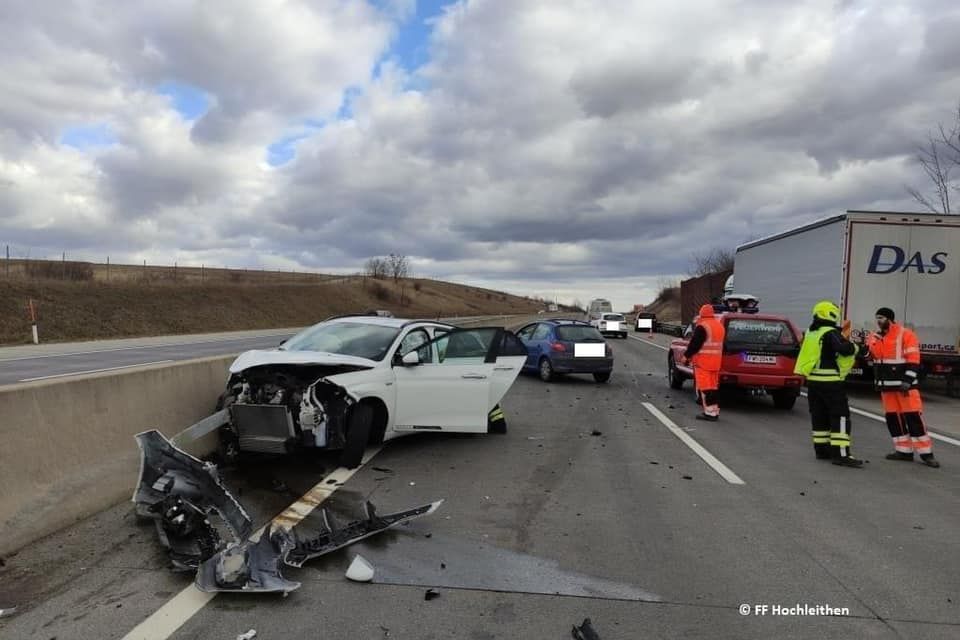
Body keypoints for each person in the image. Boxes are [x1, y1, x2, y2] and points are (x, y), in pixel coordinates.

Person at [866, 308, 939, 468]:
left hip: (905, 387)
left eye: (882, 317)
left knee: (914, 418)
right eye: (877, 317)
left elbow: (914, 360)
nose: (878, 320)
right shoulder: (875, 336)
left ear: (890, 319)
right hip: (886, 387)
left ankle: (927, 454)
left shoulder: (906, 334)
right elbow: (873, 356)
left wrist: (907, 380)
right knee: (893, 419)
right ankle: (903, 451)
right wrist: (875, 341)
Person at [794, 300, 863, 467]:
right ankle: (841, 454)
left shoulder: (811, 332)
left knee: (819, 416)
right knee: (840, 416)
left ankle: (822, 450)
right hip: (830, 382)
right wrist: (857, 348)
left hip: (813, 382)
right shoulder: (830, 332)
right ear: (831, 314)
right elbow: (843, 349)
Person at [681, 304, 725, 421]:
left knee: (705, 388)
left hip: (703, 363)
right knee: (713, 387)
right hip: (716, 363)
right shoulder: (719, 326)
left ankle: (709, 413)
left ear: (702, 313)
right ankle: (714, 411)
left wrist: (686, 356)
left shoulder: (702, 326)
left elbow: (695, 344)